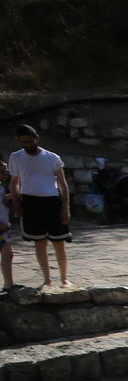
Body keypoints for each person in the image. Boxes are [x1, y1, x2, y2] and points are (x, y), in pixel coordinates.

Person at [8, 125, 72, 288]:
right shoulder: (16, 157)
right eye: (24, 142)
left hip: (52, 201)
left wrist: (66, 207)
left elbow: (63, 184)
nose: (28, 145)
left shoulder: (52, 157)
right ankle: (47, 279)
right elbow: (14, 182)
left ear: (37, 138)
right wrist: (15, 202)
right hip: (30, 201)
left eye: (30, 141)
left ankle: (64, 278)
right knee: (40, 242)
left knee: (59, 242)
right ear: (19, 141)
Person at [0, 158, 14, 292]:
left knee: (8, 255)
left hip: (5, 227)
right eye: (2, 172)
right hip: (2, 225)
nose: (6, 174)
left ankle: (9, 284)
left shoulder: (2, 186)